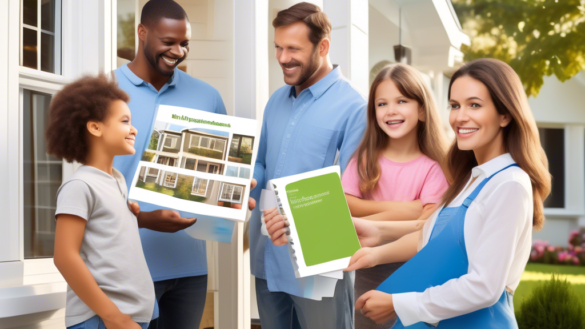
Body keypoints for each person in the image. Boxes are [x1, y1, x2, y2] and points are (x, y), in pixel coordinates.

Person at [345, 58, 551, 327]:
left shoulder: (510, 184)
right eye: (454, 106)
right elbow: (431, 239)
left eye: (474, 105)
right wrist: (377, 248)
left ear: (505, 114)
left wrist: (399, 303)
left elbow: (484, 287)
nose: (459, 117)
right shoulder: (470, 180)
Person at [112, 1, 245, 328]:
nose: (178, 51)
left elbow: (222, 170)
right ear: (142, 33)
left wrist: (239, 184)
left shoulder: (207, 96)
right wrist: (143, 219)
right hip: (124, 266)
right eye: (168, 42)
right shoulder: (105, 91)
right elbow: (91, 180)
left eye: (184, 43)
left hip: (190, 269)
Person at [249, 2, 367, 328]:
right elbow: (261, 163)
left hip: (319, 265)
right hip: (267, 257)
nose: (283, 57)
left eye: (293, 49)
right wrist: (245, 183)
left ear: (323, 46)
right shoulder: (275, 100)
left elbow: (353, 193)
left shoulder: (354, 107)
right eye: (278, 47)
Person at [340, 63, 449, 328]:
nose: (391, 111)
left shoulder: (434, 167)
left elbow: (427, 225)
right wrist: (408, 208)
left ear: (421, 110)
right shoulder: (364, 160)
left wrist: (371, 215)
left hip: (412, 274)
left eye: (402, 101)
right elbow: (342, 206)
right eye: (381, 104)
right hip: (365, 272)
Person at [48, 74, 155, 329]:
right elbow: (64, 256)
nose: (134, 129)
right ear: (95, 127)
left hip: (130, 316)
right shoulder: (80, 185)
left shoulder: (117, 180)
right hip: (102, 320)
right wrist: (114, 317)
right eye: (124, 121)